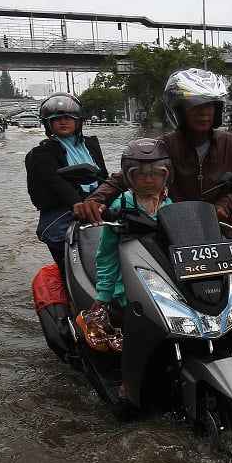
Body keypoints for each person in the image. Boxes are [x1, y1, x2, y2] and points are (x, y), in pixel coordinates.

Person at [74, 69, 232, 360]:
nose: (204, 114)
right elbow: (123, 177)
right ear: (179, 110)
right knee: (173, 301)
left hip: (221, 234)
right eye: (196, 107)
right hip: (174, 236)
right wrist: (96, 199)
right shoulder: (163, 146)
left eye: (210, 107)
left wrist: (223, 207)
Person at [79, 139, 174, 353]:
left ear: (166, 175)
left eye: (156, 174)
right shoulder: (120, 206)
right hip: (129, 284)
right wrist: (103, 295)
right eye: (140, 174)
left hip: (163, 279)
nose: (148, 180)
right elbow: (107, 255)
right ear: (129, 176)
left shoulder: (169, 205)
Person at [25, 93, 109, 279]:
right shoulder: (42, 153)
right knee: (65, 256)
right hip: (63, 210)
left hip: (97, 204)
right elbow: (56, 183)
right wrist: (79, 204)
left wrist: (108, 199)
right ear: (48, 124)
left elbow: (103, 176)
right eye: (57, 119)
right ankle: (70, 287)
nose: (63, 122)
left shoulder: (91, 144)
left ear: (78, 121)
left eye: (68, 118)